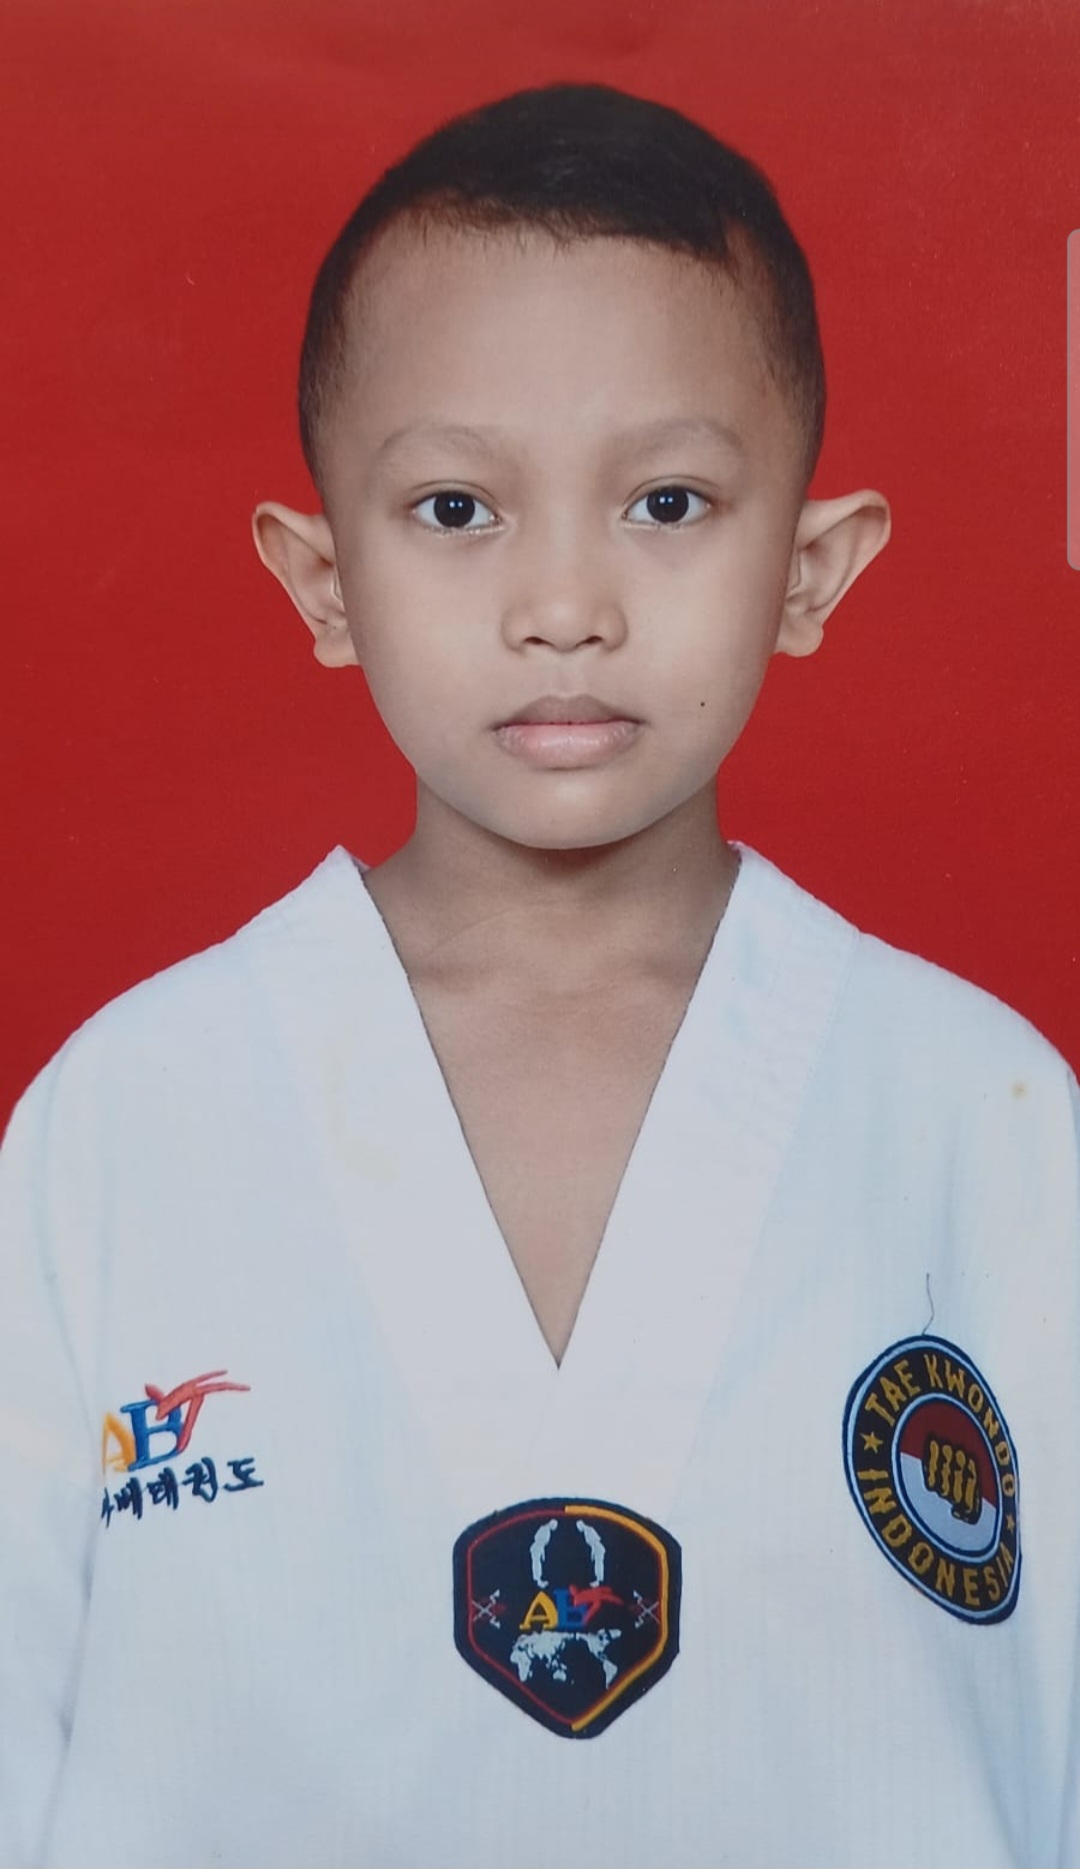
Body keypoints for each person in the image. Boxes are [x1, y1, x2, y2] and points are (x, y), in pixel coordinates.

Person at [2, 81, 1078, 1869]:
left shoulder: (985, 1113)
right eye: (455, 507)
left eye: (667, 500)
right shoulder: (128, 1113)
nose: (564, 602)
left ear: (809, 570)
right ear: (322, 579)